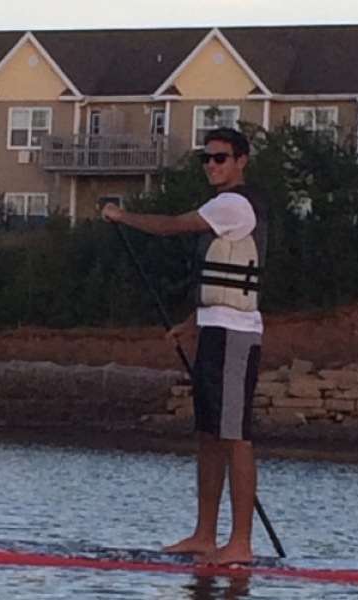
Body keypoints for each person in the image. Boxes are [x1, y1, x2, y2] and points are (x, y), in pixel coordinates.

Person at [101, 127, 266, 566]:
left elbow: (175, 225)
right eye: (207, 158)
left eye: (221, 157)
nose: (213, 164)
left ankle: (241, 544)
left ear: (241, 161)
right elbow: (220, 283)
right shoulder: (224, 206)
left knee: (235, 436)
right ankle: (204, 535)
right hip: (215, 328)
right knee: (209, 436)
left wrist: (124, 217)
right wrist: (190, 324)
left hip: (236, 336)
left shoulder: (235, 203)